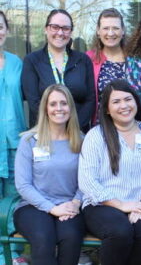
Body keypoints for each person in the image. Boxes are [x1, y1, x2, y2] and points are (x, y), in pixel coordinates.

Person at [78, 79, 141, 265]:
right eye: (116, 102)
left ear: (136, 102)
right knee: (120, 232)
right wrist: (121, 205)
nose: (124, 105)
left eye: (128, 99)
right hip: (102, 205)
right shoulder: (96, 136)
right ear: (107, 109)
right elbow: (87, 181)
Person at [14, 84, 85, 265]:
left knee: (70, 237)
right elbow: (23, 185)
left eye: (64, 103)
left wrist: (75, 203)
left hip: (69, 206)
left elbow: (87, 180)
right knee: (43, 237)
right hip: (33, 206)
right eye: (53, 104)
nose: (59, 109)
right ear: (45, 108)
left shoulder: (82, 140)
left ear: (71, 107)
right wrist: (52, 208)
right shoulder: (29, 140)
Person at [21, 9, 95, 133]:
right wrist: (57, 129)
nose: (60, 32)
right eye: (55, 27)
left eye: (65, 28)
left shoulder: (83, 60)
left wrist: (74, 127)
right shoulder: (32, 61)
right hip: (45, 133)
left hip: (78, 133)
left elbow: (90, 99)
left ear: (71, 32)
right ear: (46, 29)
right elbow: (34, 102)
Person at [0, 10, 27, 265]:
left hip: (14, 143)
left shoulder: (17, 62)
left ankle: (13, 255)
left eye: (0, 26)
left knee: (13, 203)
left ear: (6, 30)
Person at [86, 8, 127, 123]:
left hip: (132, 127)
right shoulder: (88, 59)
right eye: (106, 28)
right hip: (101, 128)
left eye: (115, 28)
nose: (110, 33)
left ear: (123, 31)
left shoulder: (135, 59)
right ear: (98, 31)